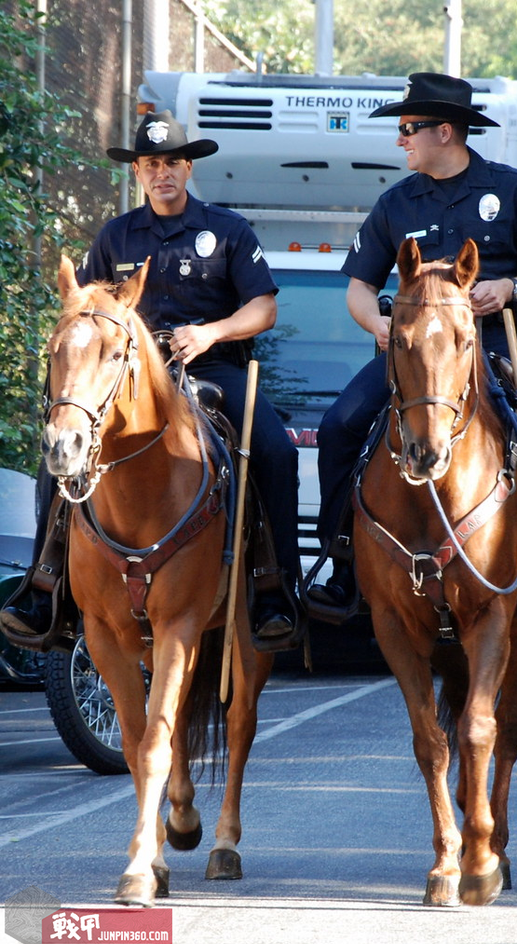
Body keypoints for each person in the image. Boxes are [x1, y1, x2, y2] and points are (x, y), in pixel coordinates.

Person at [2, 110, 302, 649]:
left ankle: (274, 587)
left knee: (276, 453)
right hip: (125, 379)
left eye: (171, 162)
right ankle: (44, 583)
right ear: (137, 173)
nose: (161, 172)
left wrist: (210, 333)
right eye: (149, 164)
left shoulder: (227, 230)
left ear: (188, 168)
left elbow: (263, 309)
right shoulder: (115, 236)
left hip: (209, 369)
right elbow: (86, 310)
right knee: (58, 452)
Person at [308, 72, 517, 612]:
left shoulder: (512, 189)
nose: (400, 140)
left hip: (494, 344)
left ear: (445, 131)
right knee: (339, 427)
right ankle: (343, 559)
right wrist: (377, 325)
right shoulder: (395, 203)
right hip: (413, 355)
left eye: (408, 129)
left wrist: (511, 286)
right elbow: (358, 287)